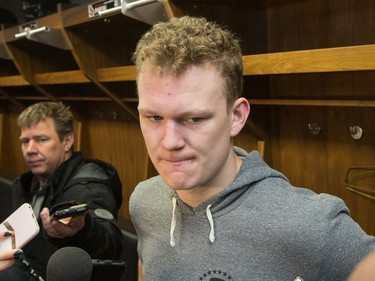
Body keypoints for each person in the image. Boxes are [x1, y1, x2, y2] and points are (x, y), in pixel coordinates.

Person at [129, 16, 375, 281]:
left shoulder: (313, 225)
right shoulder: (144, 202)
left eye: (194, 119)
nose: (169, 142)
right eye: (154, 117)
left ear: (236, 117)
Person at [0, 102, 125, 281]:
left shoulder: (89, 185)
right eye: (25, 141)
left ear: (67, 141)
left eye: (41, 140)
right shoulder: (25, 183)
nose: (30, 150)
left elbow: (110, 245)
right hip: (27, 267)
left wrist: (83, 230)